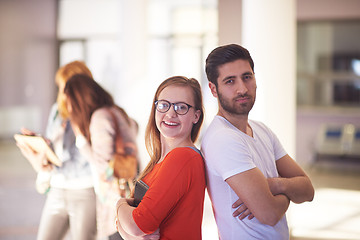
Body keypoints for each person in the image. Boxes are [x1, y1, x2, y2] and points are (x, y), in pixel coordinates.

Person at [201, 44, 315, 239]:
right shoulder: (223, 138)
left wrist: (273, 186)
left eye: (247, 77)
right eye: (230, 81)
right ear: (213, 89)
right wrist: (288, 190)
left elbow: (308, 190)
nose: (242, 89)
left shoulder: (262, 130)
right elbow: (269, 214)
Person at [115, 76, 206, 240]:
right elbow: (128, 229)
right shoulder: (158, 160)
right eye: (164, 105)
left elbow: (136, 225)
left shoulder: (183, 157)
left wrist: (120, 204)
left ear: (196, 116)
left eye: (181, 107)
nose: (171, 113)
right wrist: (131, 230)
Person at [15, 61, 97, 240]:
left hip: (84, 189)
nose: (62, 93)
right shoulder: (56, 111)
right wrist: (40, 142)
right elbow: (54, 146)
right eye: (61, 87)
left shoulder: (95, 115)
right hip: (58, 188)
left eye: (66, 88)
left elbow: (91, 158)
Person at [64, 74, 139, 240]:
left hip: (116, 203)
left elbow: (105, 168)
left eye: (68, 101)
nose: (68, 108)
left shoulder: (100, 118)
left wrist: (81, 140)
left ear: (77, 101)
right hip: (128, 197)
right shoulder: (117, 111)